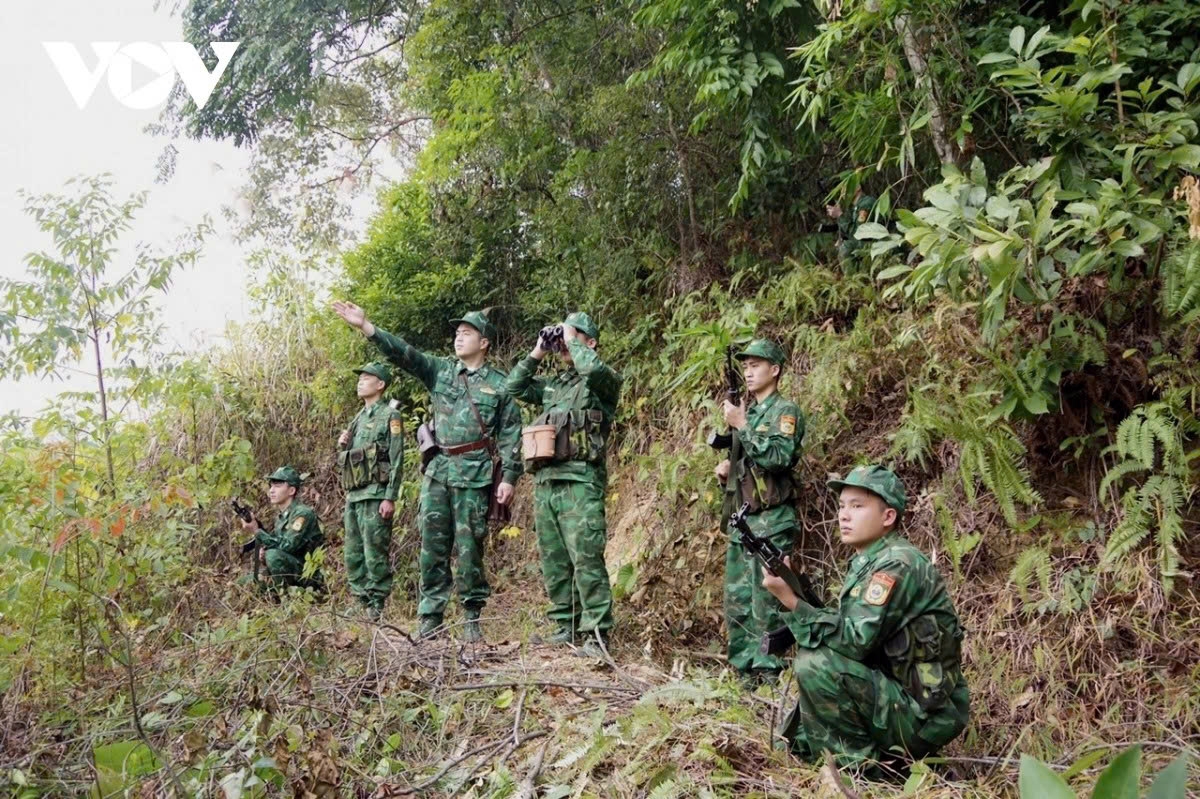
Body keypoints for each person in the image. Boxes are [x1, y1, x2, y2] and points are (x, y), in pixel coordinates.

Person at [333, 302, 522, 642]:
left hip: (475, 474)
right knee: (431, 549)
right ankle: (429, 619)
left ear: (484, 343)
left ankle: (470, 619)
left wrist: (508, 476)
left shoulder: (500, 384)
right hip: (437, 473)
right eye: (457, 333)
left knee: (469, 549)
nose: (458, 338)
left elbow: (510, 434)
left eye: (467, 333)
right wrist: (367, 327)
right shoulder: (440, 371)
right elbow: (404, 354)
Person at [762, 465, 969, 769]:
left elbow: (855, 642)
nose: (843, 515)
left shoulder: (897, 565)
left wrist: (792, 602)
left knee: (815, 663)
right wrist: (797, 585)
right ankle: (857, 758)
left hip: (923, 716)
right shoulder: (871, 560)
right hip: (902, 698)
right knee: (807, 727)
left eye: (857, 506)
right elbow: (856, 634)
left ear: (888, 517)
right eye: (842, 506)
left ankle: (866, 772)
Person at [505, 313, 622, 658]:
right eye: (565, 337)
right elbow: (513, 387)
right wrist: (538, 351)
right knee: (554, 559)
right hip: (546, 482)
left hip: (581, 481)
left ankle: (597, 635)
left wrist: (572, 338)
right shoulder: (553, 387)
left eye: (577, 336)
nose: (566, 343)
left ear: (591, 342)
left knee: (586, 557)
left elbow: (595, 371)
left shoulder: (603, 380)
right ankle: (565, 625)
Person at [714, 339, 805, 682]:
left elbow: (778, 458)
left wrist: (742, 426)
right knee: (737, 599)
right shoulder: (748, 414)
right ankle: (743, 670)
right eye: (746, 366)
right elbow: (748, 469)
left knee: (768, 601)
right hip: (745, 520)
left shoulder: (786, 412)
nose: (749, 372)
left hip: (773, 520)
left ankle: (768, 672)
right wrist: (726, 470)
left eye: (756, 365)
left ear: (775, 370)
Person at [337, 362, 404, 620]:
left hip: (376, 493)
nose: (360, 382)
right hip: (354, 494)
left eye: (367, 378)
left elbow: (397, 459)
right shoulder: (357, 418)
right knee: (353, 551)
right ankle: (359, 600)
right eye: (360, 378)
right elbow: (350, 459)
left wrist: (390, 497)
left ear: (380, 385)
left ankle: (376, 604)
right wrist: (342, 444)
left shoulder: (390, 415)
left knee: (374, 550)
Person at [238, 466, 325, 592]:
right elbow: (278, 543)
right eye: (271, 486)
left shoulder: (302, 514)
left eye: (277, 486)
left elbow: (288, 546)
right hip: (292, 569)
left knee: (272, 556)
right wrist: (263, 553)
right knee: (243, 582)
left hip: (308, 575)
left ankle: (287, 599)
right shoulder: (281, 517)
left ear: (291, 490)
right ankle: (275, 598)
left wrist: (257, 531)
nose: (271, 491)